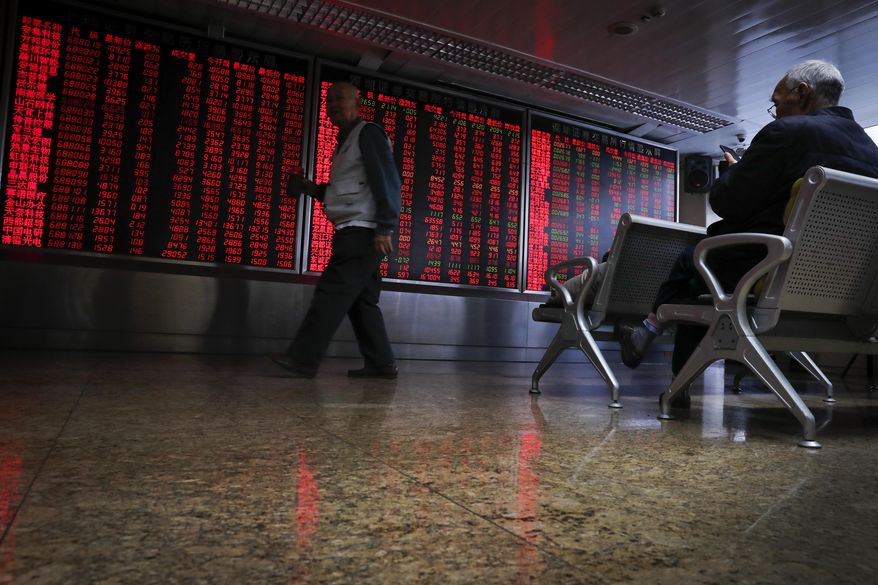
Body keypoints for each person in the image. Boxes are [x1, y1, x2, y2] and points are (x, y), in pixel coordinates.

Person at [619, 60, 878, 393]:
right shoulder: (873, 155)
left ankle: (672, 378)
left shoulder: (786, 133)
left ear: (802, 93)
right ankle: (647, 332)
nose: (776, 111)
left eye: (777, 102)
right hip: (846, 294)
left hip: (773, 272)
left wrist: (732, 172)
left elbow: (726, 204)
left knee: (696, 262)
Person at [269, 81, 402, 379]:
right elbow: (348, 191)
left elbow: (388, 181)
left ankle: (303, 358)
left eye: (339, 99)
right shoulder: (346, 142)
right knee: (361, 301)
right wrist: (311, 189)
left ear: (358, 103)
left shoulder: (368, 133)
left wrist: (385, 228)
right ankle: (381, 363)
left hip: (363, 233)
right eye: (329, 100)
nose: (332, 105)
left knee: (331, 292)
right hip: (355, 230)